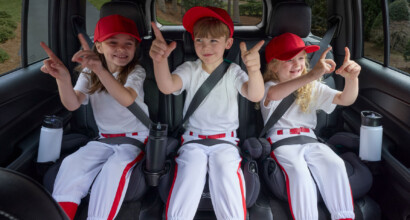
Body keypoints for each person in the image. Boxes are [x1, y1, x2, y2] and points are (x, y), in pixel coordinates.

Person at [149, 6, 265, 220]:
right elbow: (167, 86)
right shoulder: (190, 69)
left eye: (213, 41)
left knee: (226, 176)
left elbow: (255, 95)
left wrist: (254, 70)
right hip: (192, 141)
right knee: (188, 177)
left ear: (228, 43)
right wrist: (160, 61)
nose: (205, 46)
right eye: (199, 40)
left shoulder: (233, 72)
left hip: (226, 143)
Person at [40, 14, 149, 220]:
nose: (121, 49)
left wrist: (99, 68)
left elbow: (126, 99)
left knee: (114, 170)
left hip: (135, 139)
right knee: (72, 164)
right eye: (112, 42)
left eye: (129, 44)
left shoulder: (136, 71)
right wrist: (63, 79)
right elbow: (72, 103)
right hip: (104, 139)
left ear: (135, 48)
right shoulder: (89, 74)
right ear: (98, 47)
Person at [261, 32, 361, 220]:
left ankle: (344, 216)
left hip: (311, 140)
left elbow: (345, 99)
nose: (297, 64)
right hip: (283, 142)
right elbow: (274, 95)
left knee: (335, 164)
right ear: (273, 65)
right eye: (289, 60)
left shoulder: (312, 86)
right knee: (299, 173)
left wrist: (352, 78)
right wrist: (312, 74)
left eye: (301, 58)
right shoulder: (269, 86)